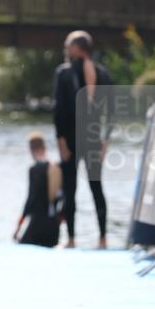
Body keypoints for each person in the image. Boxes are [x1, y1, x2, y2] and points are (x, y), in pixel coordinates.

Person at [53, 30, 112, 249]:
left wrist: (61, 142)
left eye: (69, 46)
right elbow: (59, 110)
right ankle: (83, 239)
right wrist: (105, 142)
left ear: (78, 48)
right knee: (81, 188)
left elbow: (59, 109)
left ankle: (90, 239)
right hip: (82, 139)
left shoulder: (72, 72)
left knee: (85, 188)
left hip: (81, 139)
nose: (66, 49)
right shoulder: (71, 72)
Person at [13, 132, 63, 247]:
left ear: (31, 149)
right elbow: (62, 197)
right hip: (54, 227)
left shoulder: (34, 169)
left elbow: (31, 200)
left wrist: (18, 227)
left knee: (22, 247)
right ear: (44, 147)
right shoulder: (56, 167)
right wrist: (59, 220)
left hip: (37, 225)